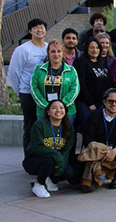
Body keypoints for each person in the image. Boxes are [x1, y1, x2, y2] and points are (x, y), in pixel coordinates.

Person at [81, 88, 116, 191]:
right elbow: (87, 139)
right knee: (87, 189)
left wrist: (115, 150)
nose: (114, 104)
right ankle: (99, 177)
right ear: (104, 102)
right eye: (110, 101)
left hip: (114, 153)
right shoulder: (93, 117)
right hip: (95, 154)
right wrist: (103, 151)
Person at [8, 18, 48, 151]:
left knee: (45, 126)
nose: (39, 30)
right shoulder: (22, 50)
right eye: (35, 27)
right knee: (30, 126)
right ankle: (30, 157)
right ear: (30, 31)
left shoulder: (49, 48)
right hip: (28, 93)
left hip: (45, 94)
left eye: (41, 27)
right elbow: (14, 72)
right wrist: (20, 90)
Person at [23, 100, 76, 198]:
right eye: (54, 108)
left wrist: (61, 165)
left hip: (56, 161)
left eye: (61, 108)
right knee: (49, 161)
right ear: (48, 112)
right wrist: (56, 156)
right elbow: (36, 147)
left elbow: (67, 150)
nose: (58, 110)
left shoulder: (69, 128)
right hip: (36, 159)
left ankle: (49, 178)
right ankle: (39, 184)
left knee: (69, 172)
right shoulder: (39, 125)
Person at [30, 40, 80, 123]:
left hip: (67, 111)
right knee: (46, 135)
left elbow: (75, 90)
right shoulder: (38, 69)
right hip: (44, 111)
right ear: (48, 53)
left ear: (63, 53)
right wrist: (47, 107)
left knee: (65, 135)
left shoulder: (71, 70)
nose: (56, 54)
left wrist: (60, 107)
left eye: (59, 51)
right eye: (53, 51)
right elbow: (34, 88)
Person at [73, 37, 115, 127]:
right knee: (89, 128)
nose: (95, 50)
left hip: (101, 102)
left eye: (97, 48)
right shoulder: (81, 62)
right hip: (87, 103)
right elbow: (81, 84)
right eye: (91, 47)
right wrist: (90, 103)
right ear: (87, 49)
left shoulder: (101, 62)